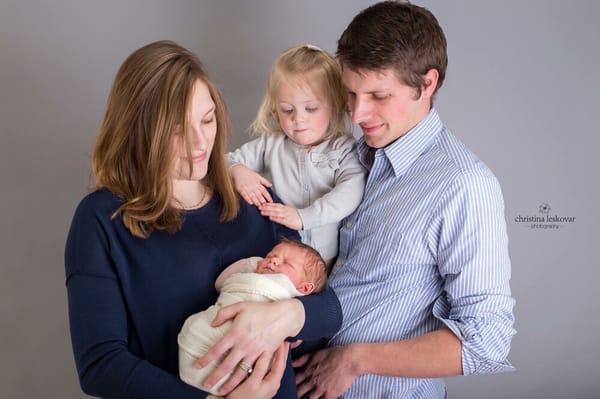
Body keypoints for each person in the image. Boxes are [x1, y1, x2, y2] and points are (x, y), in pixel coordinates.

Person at [64, 40, 342, 399]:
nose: (200, 142)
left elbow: (328, 310)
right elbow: (100, 365)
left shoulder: (252, 196)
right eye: (178, 129)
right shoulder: (102, 220)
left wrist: (286, 317)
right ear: (140, 130)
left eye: (207, 119)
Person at [294, 2, 516, 398]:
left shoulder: (464, 185)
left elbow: (487, 342)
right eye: (350, 92)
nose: (358, 112)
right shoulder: (351, 159)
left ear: (427, 84)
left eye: (378, 95)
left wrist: (353, 359)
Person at [227, 44, 366, 264]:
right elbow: (224, 161)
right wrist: (237, 171)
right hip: (276, 257)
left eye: (311, 109)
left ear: (335, 104)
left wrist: (303, 217)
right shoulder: (271, 145)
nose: (298, 119)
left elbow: (351, 192)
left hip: (326, 261)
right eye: (287, 110)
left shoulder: (343, 148)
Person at [179, 239, 327, 395]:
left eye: (287, 263)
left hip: (245, 371)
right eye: (270, 256)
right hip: (203, 335)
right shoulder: (252, 275)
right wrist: (253, 263)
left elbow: (327, 314)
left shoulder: (291, 297)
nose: (273, 260)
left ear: (304, 288)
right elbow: (221, 282)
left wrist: (293, 321)